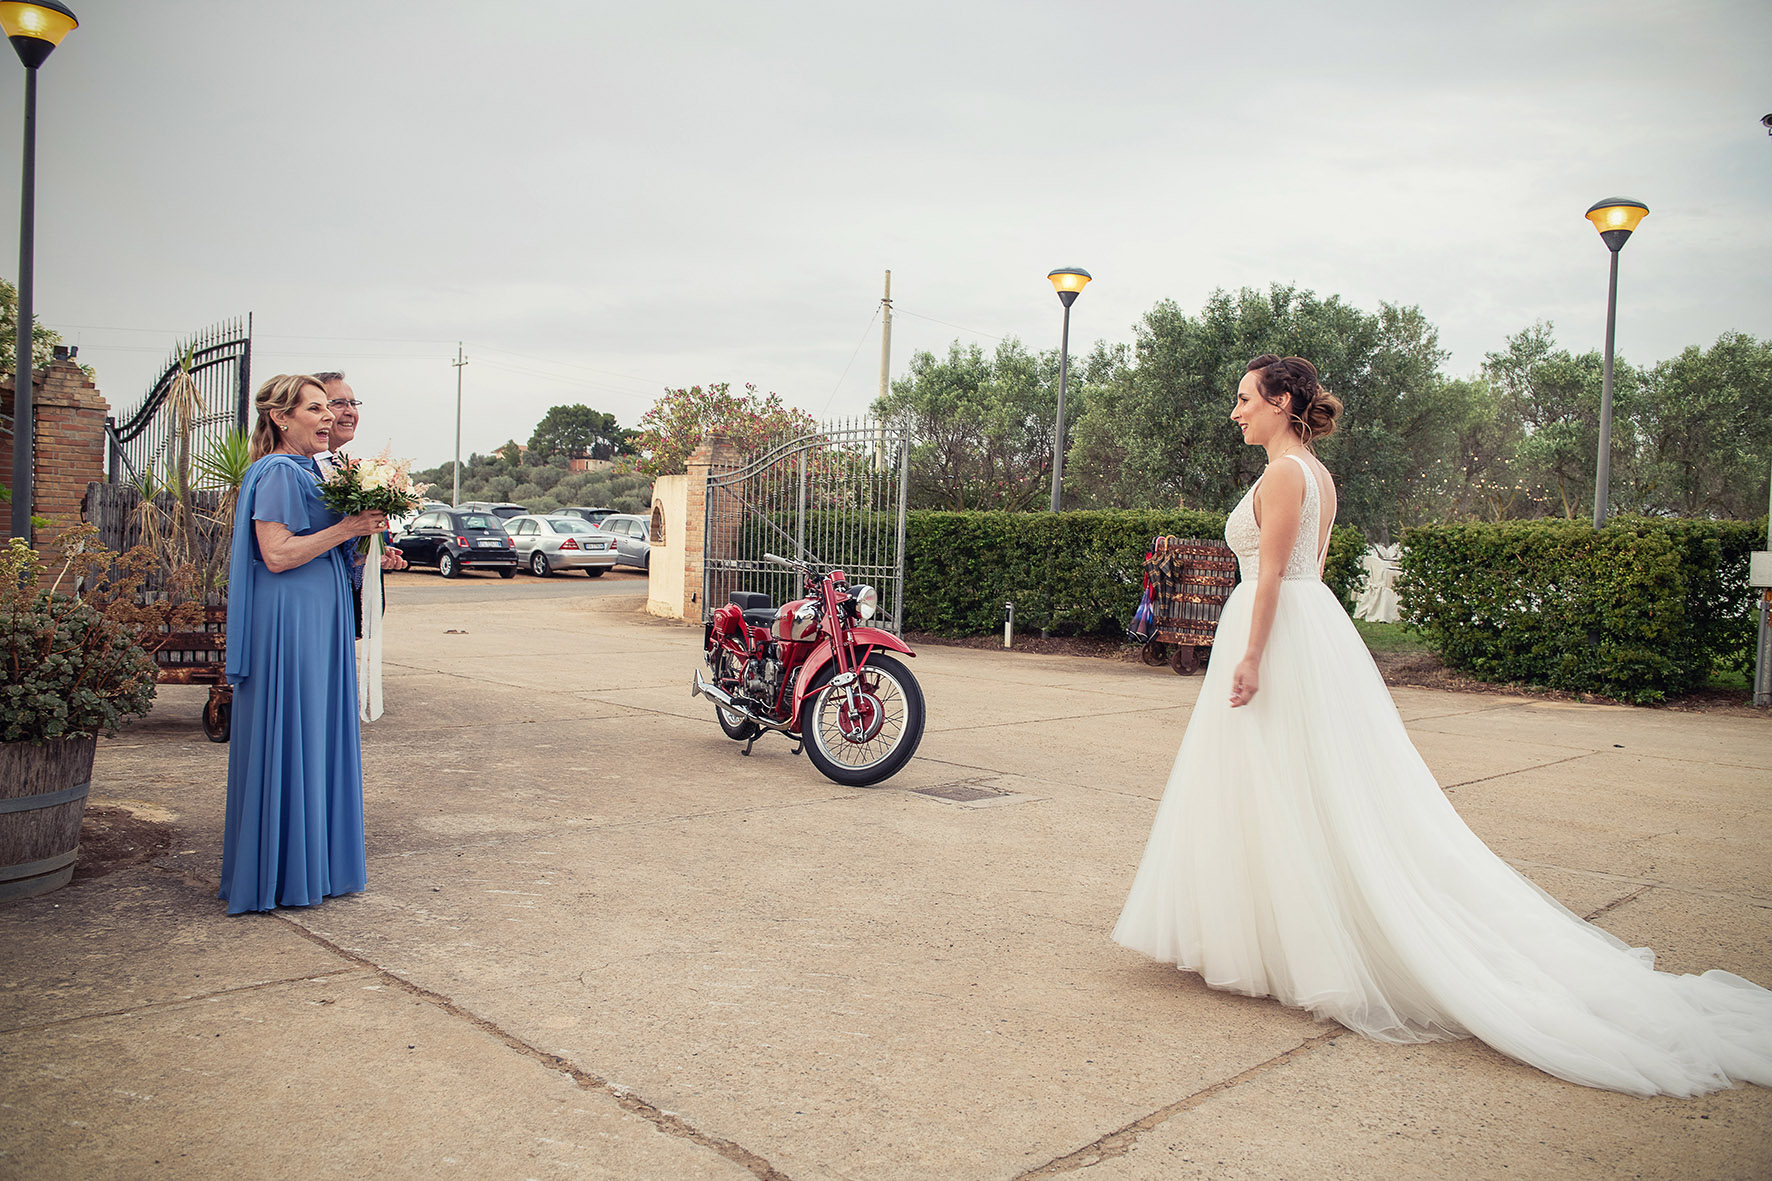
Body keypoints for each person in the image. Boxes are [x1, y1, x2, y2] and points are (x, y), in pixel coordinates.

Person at [1112, 354, 1772, 1097]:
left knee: (1280, 783)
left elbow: (1270, 574)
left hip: (1276, 632)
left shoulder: (1285, 475)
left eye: (1243, 399)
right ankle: (1276, 938)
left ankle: (1291, 945)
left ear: (1281, 400)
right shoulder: (1318, 476)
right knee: (1296, 786)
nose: (1235, 412)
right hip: (1308, 629)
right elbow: (1313, 573)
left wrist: (1254, 654)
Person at [219, 375, 388, 914]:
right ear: (280, 418)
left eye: (329, 407)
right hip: (289, 618)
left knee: (316, 733)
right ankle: (281, 873)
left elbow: (320, 543)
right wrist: (347, 529)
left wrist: (363, 539)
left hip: (321, 611)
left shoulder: (313, 470)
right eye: (314, 408)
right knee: (291, 730)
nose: (327, 417)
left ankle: (313, 867)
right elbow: (277, 554)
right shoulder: (274, 471)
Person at [314, 371, 405, 639]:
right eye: (339, 403)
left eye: (354, 404)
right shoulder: (302, 469)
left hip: (350, 603)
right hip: (321, 604)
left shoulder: (342, 467)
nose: (350, 411)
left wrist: (374, 553)